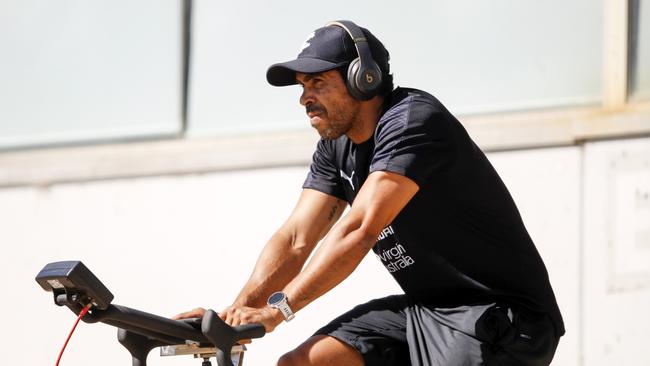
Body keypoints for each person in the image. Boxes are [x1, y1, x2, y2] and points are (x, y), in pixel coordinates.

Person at [174, 20, 565, 365]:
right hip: (427, 312)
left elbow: (358, 228)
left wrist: (280, 311)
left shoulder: (412, 121)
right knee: (303, 363)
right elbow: (296, 239)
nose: (304, 98)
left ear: (365, 79)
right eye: (302, 86)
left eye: (318, 83)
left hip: (503, 317)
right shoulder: (335, 145)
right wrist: (233, 316)